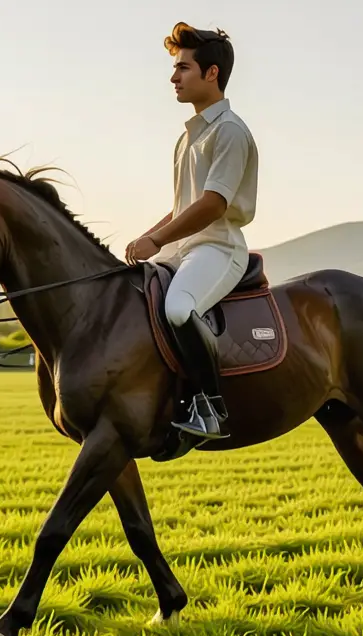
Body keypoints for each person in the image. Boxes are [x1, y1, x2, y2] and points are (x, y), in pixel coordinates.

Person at [124, 22, 259, 441]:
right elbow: (183, 207)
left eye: (183, 68)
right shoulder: (188, 138)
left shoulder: (230, 131)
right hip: (181, 249)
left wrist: (157, 241)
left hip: (218, 248)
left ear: (211, 73)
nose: (173, 77)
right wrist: (147, 236)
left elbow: (212, 206)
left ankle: (211, 410)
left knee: (180, 308)